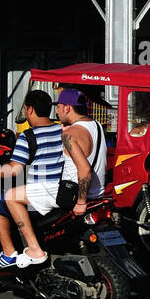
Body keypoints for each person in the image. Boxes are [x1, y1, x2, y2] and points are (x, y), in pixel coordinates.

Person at [0, 89, 64, 269]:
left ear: (31, 110)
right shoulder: (62, 129)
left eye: (26, 109)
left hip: (39, 196)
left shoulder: (28, 137)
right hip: (61, 191)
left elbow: (13, 170)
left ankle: (9, 253)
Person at [55, 88, 107, 218]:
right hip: (98, 194)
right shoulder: (97, 125)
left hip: (72, 198)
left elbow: (85, 169)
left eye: (58, 107)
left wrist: (81, 202)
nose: (56, 111)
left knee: (12, 199)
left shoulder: (69, 134)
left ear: (67, 108)